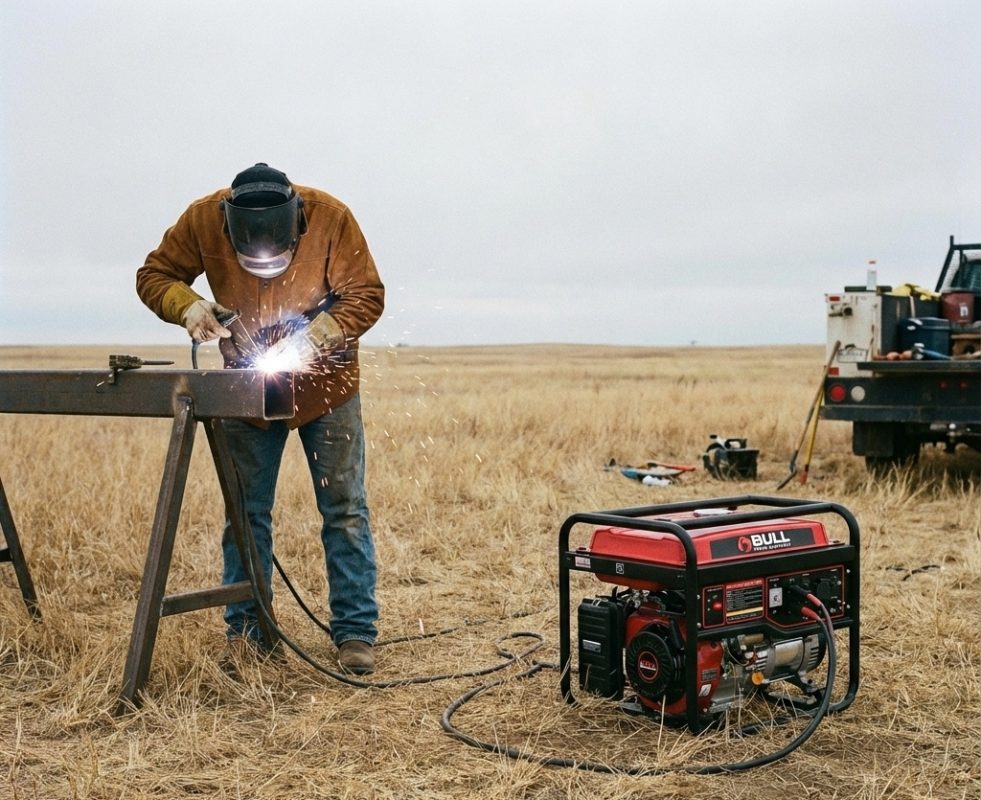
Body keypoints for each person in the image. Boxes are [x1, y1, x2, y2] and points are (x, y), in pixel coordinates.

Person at [136, 163, 384, 675]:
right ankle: (250, 634)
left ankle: (355, 632)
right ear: (228, 227)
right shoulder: (203, 220)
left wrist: (321, 331)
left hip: (326, 385)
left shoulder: (332, 218)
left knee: (344, 508)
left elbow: (367, 294)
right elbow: (153, 275)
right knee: (245, 512)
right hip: (246, 387)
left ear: (298, 223)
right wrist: (187, 306)